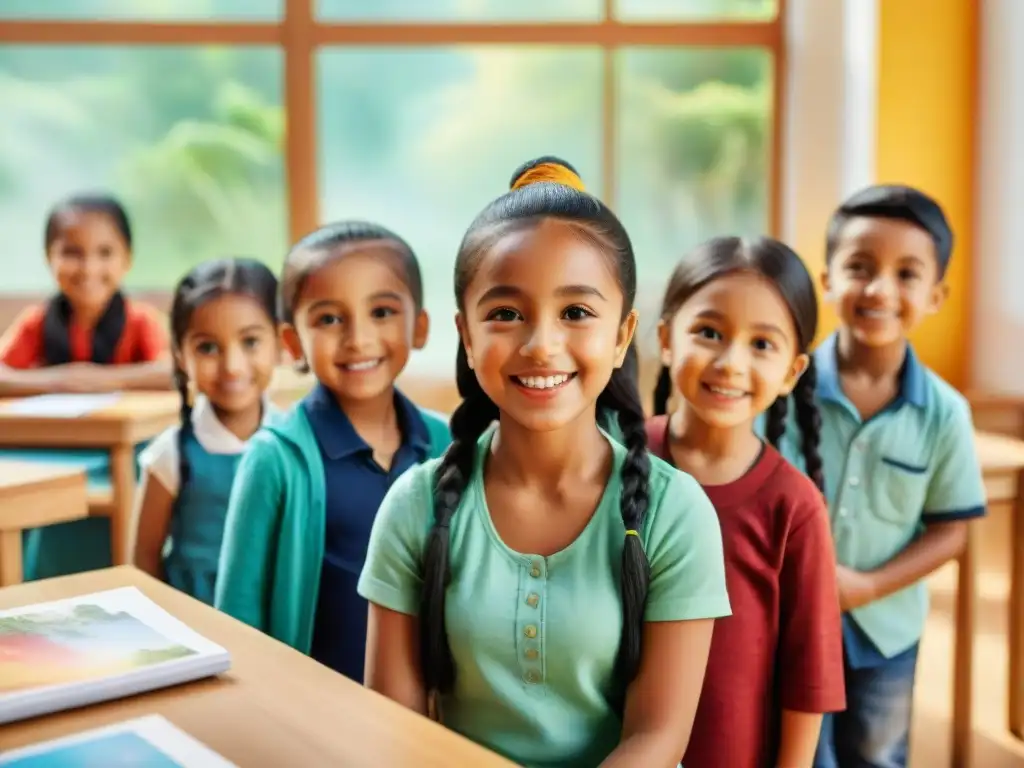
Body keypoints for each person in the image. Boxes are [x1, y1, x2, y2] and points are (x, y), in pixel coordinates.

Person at [357, 157, 731, 768]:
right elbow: (397, 729)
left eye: (576, 313)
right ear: (467, 335)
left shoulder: (674, 513)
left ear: (621, 334)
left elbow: (655, 739)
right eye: (505, 313)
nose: (540, 345)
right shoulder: (414, 505)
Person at [782, 185, 987, 768]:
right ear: (828, 281)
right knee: (802, 754)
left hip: (885, 634)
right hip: (789, 626)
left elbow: (951, 530)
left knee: (876, 752)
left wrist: (868, 587)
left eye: (906, 274)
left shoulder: (944, 413)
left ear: (936, 294)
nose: (879, 290)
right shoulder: (782, 391)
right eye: (860, 268)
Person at [215, 221, 450, 683]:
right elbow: (236, 621)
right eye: (329, 319)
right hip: (311, 717)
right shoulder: (273, 459)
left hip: (425, 719)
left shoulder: (446, 445)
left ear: (419, 327)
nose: (358, 339)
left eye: (381, 312)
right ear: (293, 343)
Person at [647, 236, 845, 768]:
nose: (730, 362)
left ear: (792, 372)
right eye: (708, 333)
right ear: (666, 339)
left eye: (762, 344)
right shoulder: (614, 459)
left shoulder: (794, 506)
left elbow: (810, 675)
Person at [133, 258, 280, 605]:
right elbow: (143, 561)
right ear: (181, 356)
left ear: (281, 341)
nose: (232, 366)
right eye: (207, 347)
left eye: (250, 342)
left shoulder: (296, 444)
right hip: (195, 624)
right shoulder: (171, 454)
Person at [0, 193, 171, 395]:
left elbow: (174, 372)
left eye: (105, 253)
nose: (89, 269)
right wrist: (59, 381)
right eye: (72, 252)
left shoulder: (140, 320)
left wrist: (101, 379)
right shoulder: (36, 322)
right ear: (48, 257)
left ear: (127, 258)